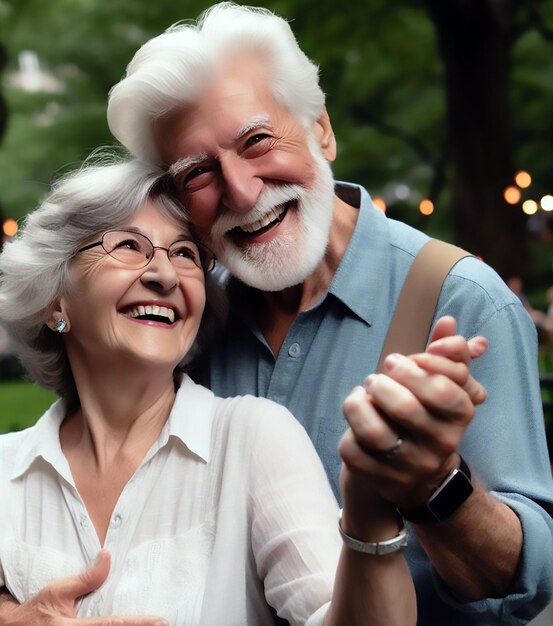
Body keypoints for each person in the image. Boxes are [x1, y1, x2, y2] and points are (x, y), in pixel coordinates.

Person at [104, 4, 553, 625]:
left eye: (257, 141)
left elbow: (521, 586)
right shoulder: (188, 319)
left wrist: (435, 489)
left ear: (322, 130)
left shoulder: (462, 300)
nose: (241, 190)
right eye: (199, 172)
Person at [0, 157, 428, 625]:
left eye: (184, 253)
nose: (164, 275)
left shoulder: (252, 438)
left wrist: (368, 513)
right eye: (128, 245)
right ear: (54, 302)